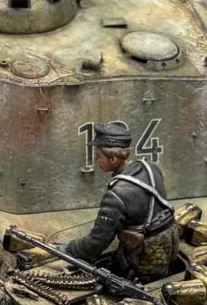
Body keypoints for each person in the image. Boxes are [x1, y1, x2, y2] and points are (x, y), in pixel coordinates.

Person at [63, 120, 178, 283]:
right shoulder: (150, 168)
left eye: (99, 156)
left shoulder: (116, 195)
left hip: (143, 264)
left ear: (113, 158)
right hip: (168, 250)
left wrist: (69, 248)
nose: (97, 160)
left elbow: (95, 244)